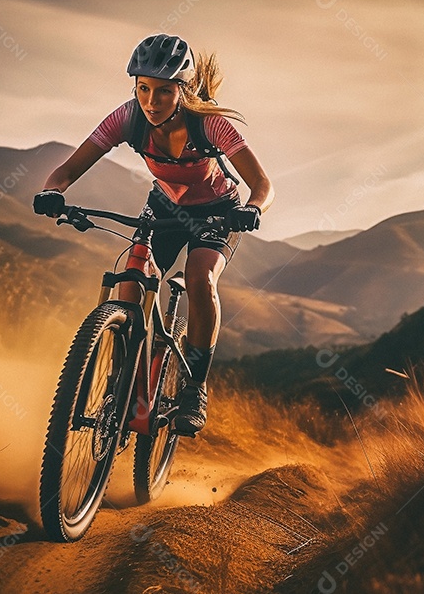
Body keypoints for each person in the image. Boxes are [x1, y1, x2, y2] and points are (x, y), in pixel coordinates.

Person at [33, 34, 274, 436]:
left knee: (201, 278)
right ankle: (118, 381)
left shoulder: (209, 123)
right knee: (131, 275)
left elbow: (263, 184)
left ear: (184, 90)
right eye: (143, 88)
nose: (151, 101)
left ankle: (194, 387)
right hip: (163, 206)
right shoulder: (127, 119)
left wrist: (253, 209)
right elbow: (67, 170)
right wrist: (52, 191)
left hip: (217, 212)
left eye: (163, 91)